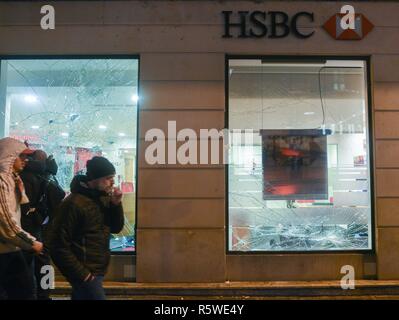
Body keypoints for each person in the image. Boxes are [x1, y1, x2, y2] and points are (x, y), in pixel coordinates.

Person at [49, 156, 124, 300]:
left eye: (113, 177)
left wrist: (116, 204)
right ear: (94, 179)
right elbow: (57, 244)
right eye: (108, 178)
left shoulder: (102, 198)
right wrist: (83, 275)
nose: (113, 182)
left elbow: (115, 227)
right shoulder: (73, 204)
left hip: (95, 270)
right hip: (86, 272)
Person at [0, 137, 43, 300]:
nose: (26, 160)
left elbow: (20, 214)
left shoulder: (14, 180)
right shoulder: (2, 182)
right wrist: (31, 242)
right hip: (5, 251)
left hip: (11, 248)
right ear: (9, 157)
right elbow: (6, 223)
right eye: (22, 156)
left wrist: (21, 192)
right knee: (24, 292)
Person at [20, 150, 65, 300]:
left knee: (28, 262)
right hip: (42, 223)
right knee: (45, 262)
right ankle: (45, 293)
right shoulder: (47, 176)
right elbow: (59, 197)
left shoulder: (24, 176)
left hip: (28, 224)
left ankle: (31, 293)